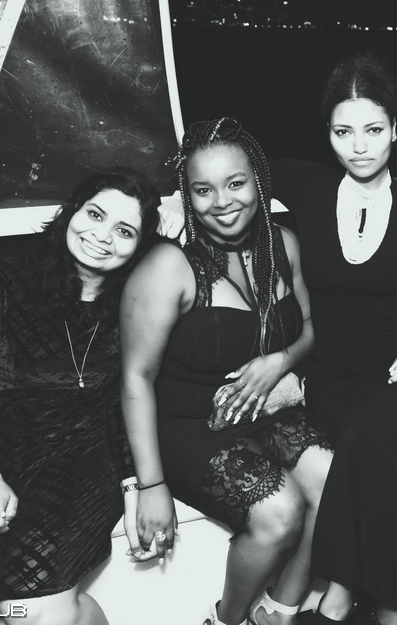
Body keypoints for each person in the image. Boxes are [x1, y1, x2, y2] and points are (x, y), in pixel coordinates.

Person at [157, 53, 397, 625]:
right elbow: (226, 175)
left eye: (373, 130)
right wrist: (172, 201)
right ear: (328, 134)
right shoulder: (306, 183)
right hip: (324, 375)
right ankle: (340, 589)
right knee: (350, 454)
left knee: (371, 439)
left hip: (395, 370)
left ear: (396, 130)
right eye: (343, 132)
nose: (359, 146)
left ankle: (380, 600)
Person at [0, 169, 161, 625]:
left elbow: (122, 403)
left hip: (77, 463)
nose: (102, 236)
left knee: (33, 613)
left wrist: (133, 489)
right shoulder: (10, 280)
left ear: (140, 246)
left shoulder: (136, 302)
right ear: (72, 212)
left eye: (125, 231)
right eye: (95, 215)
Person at [120, 118, 332, 625]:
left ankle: (279, 610)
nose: (222, 202)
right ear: (187, 196)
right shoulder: (169, 266)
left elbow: (311, 327)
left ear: (259, 179)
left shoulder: (283, 244)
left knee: (337, 482)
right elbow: (134, 379)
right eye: (203, 190)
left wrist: (280, 361)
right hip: (189, 427)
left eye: (235, 183)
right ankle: (228, 619)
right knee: (280, 512)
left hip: (263, 412)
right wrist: (150, 485)